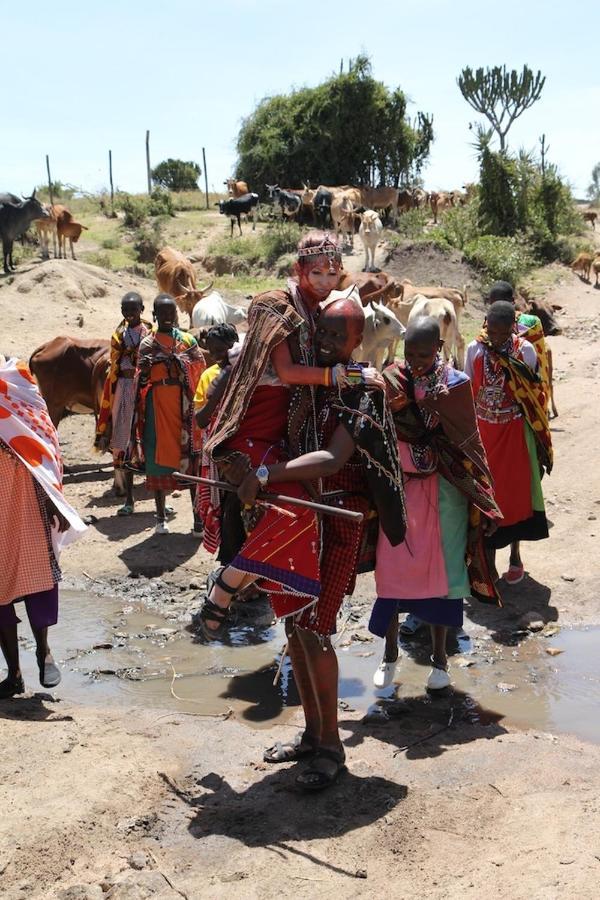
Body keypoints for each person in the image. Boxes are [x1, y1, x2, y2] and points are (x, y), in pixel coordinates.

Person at [200, 297, 405, 790]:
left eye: (340, 337)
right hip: (294, 517)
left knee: (315, 628)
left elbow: (333, 459)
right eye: (324, 335)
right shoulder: (308, 384)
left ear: (359, 340)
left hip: (335, 520)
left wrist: (265, 474)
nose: (330, 344)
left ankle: (331, 747)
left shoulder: (362, 389)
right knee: (293, 625)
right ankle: (313, 735)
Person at [200, 230, 383, 584]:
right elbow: (287, 371)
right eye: (317, 273)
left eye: (332, 274)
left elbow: (331, 358)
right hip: (256, 422)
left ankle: (253, 586)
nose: (325, 282)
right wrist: (343, 377)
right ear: (299, 269)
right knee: (293, 507)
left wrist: (359, 374)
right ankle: (227, 584)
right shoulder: (275, 305)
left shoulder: (319, 310)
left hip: (290, 424)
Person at [369, 318, 502, 691]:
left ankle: (440, 662)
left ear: (440, 347)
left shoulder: (456, 386)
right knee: (393, 571)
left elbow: (469, 443)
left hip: (446, 492)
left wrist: (486, 500)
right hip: (401, 491)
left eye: (424, 355)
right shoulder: (390, 380)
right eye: (409, 354)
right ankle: (390, 654)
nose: (415, 362)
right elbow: (376, 431)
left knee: (444, 578)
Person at [0, 354, 86, 698]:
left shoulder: (19, 390)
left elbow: (45, 451)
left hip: (29, 505)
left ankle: (43, 651)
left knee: (38, 579)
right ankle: (14, 674)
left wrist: (56, 503)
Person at [465, 301, 552, 585]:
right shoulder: (474, 349)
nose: (497, 339)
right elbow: (466, 390)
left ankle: (515, 555)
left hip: (514, 432)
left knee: (515, 495)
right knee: (486, 495)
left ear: (513, 329)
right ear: (486, 325)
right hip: (484, 435)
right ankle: (487, 565)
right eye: (492, 331)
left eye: (503, 334)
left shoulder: (524, 351)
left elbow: (532, 393)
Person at [132, 294, 205, 535]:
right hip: (156, 406)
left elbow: (199, 369)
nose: (166, 318)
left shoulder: (186, 340)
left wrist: (180, 363)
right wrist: (146, 368)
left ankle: (197, 519)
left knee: (191, 461)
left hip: (185, 407)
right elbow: (139, 378)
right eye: (161, 314)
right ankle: (161, 518)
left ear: (176, 314)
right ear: (154, 315)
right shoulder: (147, 344)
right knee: (156, 457)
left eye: (170, 313)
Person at [94, 292, 152, 516]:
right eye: (125, 310)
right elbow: (116, 362)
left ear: (142, 309)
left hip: (146, 393)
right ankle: (129, 499)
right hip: (125, 391)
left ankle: (159, 496)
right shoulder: (118, 335)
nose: (129, 314)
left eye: (133, 309)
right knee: (124, 441)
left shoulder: (151, 333)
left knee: (150, 440)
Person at [487, 280, 557, 420]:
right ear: (513, 301)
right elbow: (540, 360)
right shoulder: (533, 322)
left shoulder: (487, 325)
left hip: (497, 396)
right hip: (528, 392)